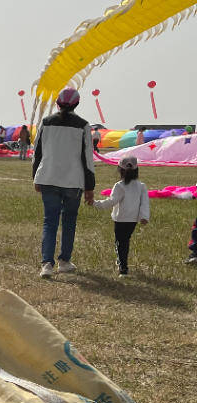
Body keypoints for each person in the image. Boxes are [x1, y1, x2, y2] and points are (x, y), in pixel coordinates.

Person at [32, 86, 95, 278]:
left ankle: (46, 265)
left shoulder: (46, 122)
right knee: (69, 222)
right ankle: (64, 261)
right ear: (76, 104)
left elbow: (37, 152)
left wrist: (35, 176)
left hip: (48, 177)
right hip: (73, 181)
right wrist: (90, 186)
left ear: (58, 103)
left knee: (49, 222)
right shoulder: (83, 125)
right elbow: (87, 157)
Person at [90, 156, 149, 277]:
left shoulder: (119, 186)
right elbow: (145, 203)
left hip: (120, 219)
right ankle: (122, 262)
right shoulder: (141, 186)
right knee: (125, 241)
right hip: (133, 220)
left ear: (120, 170)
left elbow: (111, 202)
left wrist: (95, 203)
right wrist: (144, 217)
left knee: (119, 243)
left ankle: (123, 267)